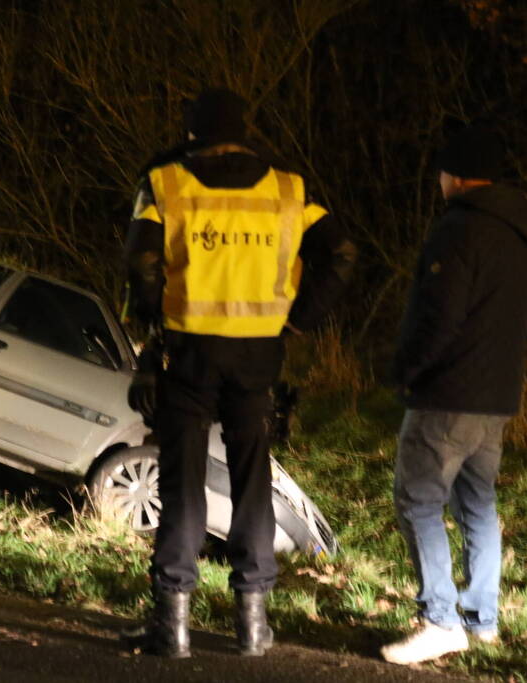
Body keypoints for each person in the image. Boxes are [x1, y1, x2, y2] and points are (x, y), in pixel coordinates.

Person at [121, 89, 356, 657]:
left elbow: (141, 260)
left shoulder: (168, 183)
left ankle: (171, 625)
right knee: (252, 479)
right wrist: (298, 320)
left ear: (194, 132)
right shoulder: (287, 189)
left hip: (190, 351)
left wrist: (153, 322)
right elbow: (343, 253)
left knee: (182, 482)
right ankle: (252, 623)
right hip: (257, 355)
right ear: (243, 131)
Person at [381, 125, 527, 664]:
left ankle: (439, 620)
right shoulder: (520, 235)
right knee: (477, 503)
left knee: (419, 500)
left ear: (451, 176)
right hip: (495, 396)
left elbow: (439, 316)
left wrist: (407, 370)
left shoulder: (459, 231)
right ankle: (482, 619)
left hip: (447, 392)